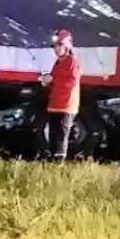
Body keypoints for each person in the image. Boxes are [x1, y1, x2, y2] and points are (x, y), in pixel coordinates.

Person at [39, 29, 82, 160]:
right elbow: (55, 79)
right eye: (54, 46)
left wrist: (53, 80)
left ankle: (59, 160)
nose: (56, 49)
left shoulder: (73, 61)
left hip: (67, 105)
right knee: (53, 133)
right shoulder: (58, 62)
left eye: (59, 45)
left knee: (62, 135)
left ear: (67, 46)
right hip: (55, 104)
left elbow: (72, 82)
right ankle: (52, 157)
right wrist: (47, 81)